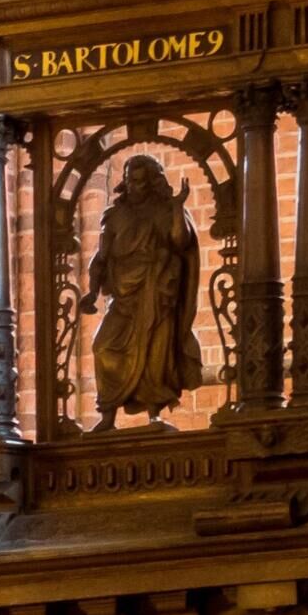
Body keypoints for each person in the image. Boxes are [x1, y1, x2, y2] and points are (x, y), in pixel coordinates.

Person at [87, 156, 206, 423]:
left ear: (152, 183)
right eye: (129, 181)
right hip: (123, 295)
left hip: (156, 291)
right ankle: (107, 416)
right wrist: (92, 292)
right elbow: (101, 257)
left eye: (139, 182)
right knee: (103, 347)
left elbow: (181, 242)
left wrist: (177, 208)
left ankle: (154, 412)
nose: (132, 187)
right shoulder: (114, 214)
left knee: (156, 354)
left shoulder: (165, 210)